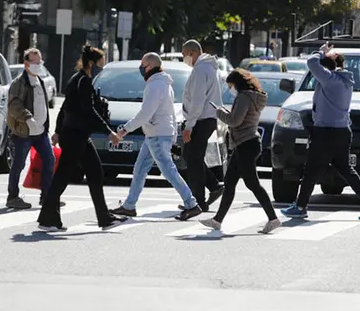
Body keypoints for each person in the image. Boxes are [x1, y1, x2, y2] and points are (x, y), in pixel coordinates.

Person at [281, 43, 360, 221]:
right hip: (341, 131)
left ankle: (300, 206)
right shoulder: (344, 80)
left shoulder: (330, 80)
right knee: (345, 169)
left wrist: (321, 52)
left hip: (325, 132)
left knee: (311, 170)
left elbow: (312, 63)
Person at [37, 45, 127, 232]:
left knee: (93, 173)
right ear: (91, 63)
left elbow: (64, 109)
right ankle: (48, 219)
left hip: (74, 135)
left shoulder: (75, 79)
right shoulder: (83, 82)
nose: (100, 69)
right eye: (100, 64)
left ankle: (103, 218)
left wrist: (58, 131)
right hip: (76, 136)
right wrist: (108, 131)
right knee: (64, 177)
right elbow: (89, 111)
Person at [109, 53, 202, 221]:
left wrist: (124, 129)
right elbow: (170, 112)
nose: (141, 69)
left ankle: (191, 204)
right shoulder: (164, 84)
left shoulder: (155, 85)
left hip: (157, 135)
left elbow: (145, 113)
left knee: (168, 171)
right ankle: (129, 206)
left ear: (150, 66)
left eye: (143, 65)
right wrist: (173, 134)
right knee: (140, 169)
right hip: (156, 134)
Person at [200, 69, 281, 234]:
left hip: (246, 144)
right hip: (245, 143)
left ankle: (273, 219)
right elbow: (240, 118)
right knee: (230, 183)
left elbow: (235, 121)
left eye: (231, 86)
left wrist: (219, 112)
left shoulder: (244, 97)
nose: (231, 89)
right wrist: (226, 113)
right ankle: (217, 220)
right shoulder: (253, 96)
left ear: (237, 84)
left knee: (253, 184)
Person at [5, 47, 62, 209]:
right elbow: (13, 105)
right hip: (24, 133)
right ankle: (12, 197)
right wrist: (27, 118)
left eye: (40, 62)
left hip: (40, 133)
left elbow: (44, 106)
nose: (38, 65)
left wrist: (46, 128)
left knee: (49, 160)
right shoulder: (19, 83)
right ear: (26, 64)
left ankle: (46, 196)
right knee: (18, 164)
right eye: (35, 62)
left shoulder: (40, 81)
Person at [180, 39, 225, 212]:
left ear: (192, 52)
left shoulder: (200, 70)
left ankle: (199, 200)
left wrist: (189, 126)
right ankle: (213, 187)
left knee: (193, 158)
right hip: (206, 118)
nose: (184, 59)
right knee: (191, 155)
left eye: (184, 55)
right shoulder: (208, 67)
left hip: (201, 119)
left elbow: (198, 100)